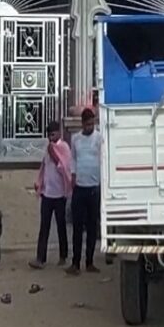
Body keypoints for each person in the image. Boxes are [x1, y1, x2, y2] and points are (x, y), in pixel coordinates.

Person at [30, 120, 72, 270]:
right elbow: (44, 168)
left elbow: (65, 169)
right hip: (47, 194)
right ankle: (40, 258)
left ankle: (63, 255)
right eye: (48, 135)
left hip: (59, 194)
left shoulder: (64, 148)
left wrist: (54, 155)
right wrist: (39, 183)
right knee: (44, 227)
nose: (51, 138)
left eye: (53, 134)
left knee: (61, 226)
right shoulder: (47, 149)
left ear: (59, 133)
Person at [67, 108, 103, 275]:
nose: (90, 127)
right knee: (77, 227)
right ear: (82, 124)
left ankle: (89, 262)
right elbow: (73, 159)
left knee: (92, 226)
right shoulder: (76, 139)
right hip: (79, 187)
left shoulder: (99, 138)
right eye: (87, 124)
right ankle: (75, 263)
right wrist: (73, 177)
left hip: (94, 188)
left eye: (92, 123)